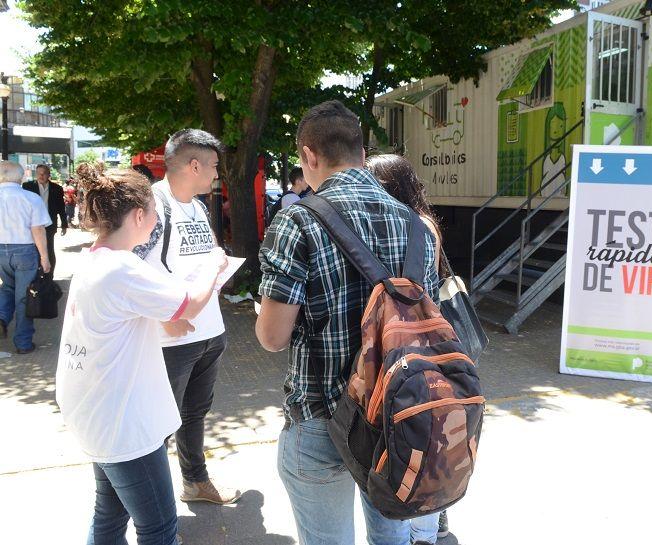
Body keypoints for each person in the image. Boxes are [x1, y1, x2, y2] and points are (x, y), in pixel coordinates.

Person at [256, 101, 439, 545]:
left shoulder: (297, 220)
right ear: (361, 153)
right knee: (392, 537)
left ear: (309, 155)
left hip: (322, 418)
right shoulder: (415, 224)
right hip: (398, 414)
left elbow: (273, 337)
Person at [55, 163, 227, 545]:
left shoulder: (97, 258)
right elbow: (190, 303)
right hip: (123, 422)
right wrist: (214, 265)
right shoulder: (122, 268)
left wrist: (166, 317)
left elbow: (137, 310)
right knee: (159, 530)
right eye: (154, 212)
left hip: (96, 412)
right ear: (137, 215)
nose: (157, 221)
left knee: (109, 513)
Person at [132, 128, 241, 505]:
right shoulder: (152, 206)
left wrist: (219, 263)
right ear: (194, 165)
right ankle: (151, 510)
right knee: (159, 424)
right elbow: (129, 268)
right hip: (172, 339)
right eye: (214, 166)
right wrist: (163, 315)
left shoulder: (197, 206)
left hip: (209, 330)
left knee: (194, 413)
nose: (217, 174)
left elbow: (202, 255)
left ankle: (195, 482)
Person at [365, 154, 448, 543]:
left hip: (416, 339)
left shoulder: (416, 225)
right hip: (424, 340)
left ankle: (424, 530)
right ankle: (432, 520)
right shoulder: (418, 220)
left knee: (420, 430)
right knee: (430, 432)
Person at [0, 161, 52, 354]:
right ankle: (23, 343)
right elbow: (37, 229)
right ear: (21, 177)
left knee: (7, 287)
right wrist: (45, 257)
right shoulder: (31, 198)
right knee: (24, 296)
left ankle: (2, 317)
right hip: (25, 251)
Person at [23, 164, 68, 275]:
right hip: (32, 225)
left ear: (49, 175)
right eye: (39, 173)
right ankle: (37, 276)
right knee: (34, 251)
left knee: (49, 250)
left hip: (49, 225)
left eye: (44, 174)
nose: (41, 176)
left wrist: (64, 224)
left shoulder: (57, 188)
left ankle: (49, 277)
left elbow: (61, 207)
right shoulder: (27, 186)